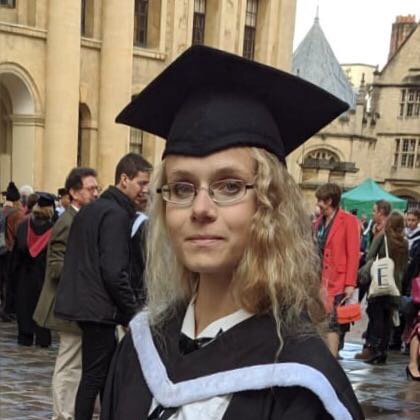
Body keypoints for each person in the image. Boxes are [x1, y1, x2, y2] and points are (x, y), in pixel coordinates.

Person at [101, 45, 363, 419]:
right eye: (182, 187)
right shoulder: (141, 348)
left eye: (229, 186)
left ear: (269, 204)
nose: (200, 208)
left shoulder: (300, 380)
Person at [55, 153, 151, 420]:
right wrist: (131, 312)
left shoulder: (94, 209)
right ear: (124, 179)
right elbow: (113, 270)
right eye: (142, 183)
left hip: (90, 304)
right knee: (95, 376)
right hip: (98, 307)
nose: (145, 190)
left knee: (98, 375)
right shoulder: (115, 214)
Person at [33, 167, 99, 420]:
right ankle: (62, 414)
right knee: (68, 362)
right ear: (74, 192)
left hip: (76, 303)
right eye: (90, 189)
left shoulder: (80, 219)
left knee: (75, 362)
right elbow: (55, 266)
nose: (95, 193)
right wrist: (87, 270)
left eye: (97, 188)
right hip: (67, 303)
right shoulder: (68, 222)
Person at [315, 183, 360, 358]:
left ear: (329, 201)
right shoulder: (318, 222)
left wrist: (350, 283)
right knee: (320, 320)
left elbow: (353, 253)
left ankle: (332, 359)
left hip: (337, 280)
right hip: (318, 278)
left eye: (320, 200)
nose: (318, 203)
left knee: (332, 322)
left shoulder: (348, 221)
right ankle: (322, 356)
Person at [361, 211, 408, 364]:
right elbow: (404, 265)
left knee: (376, 317)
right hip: (395, 286)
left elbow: (369, 256)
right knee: (388, 319)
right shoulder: (404, 242)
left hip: (380, 282)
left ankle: (375, 349)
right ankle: (383, 351)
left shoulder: (383, 237)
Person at [11, 193, 55, 347]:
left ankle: (24, 338)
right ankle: (43, 341)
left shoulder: (23, 226)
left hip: (24, 277)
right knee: (43, 313)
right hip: (44, 278)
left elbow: (15, 257)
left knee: (24, 309)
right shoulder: (54, 230)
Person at [0, 182, 25, 322]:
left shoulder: (2, 211)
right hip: (10, 250)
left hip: (1, 249)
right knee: (9, 281)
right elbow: (19, 234)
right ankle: (7, 309)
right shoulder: (17, 214)